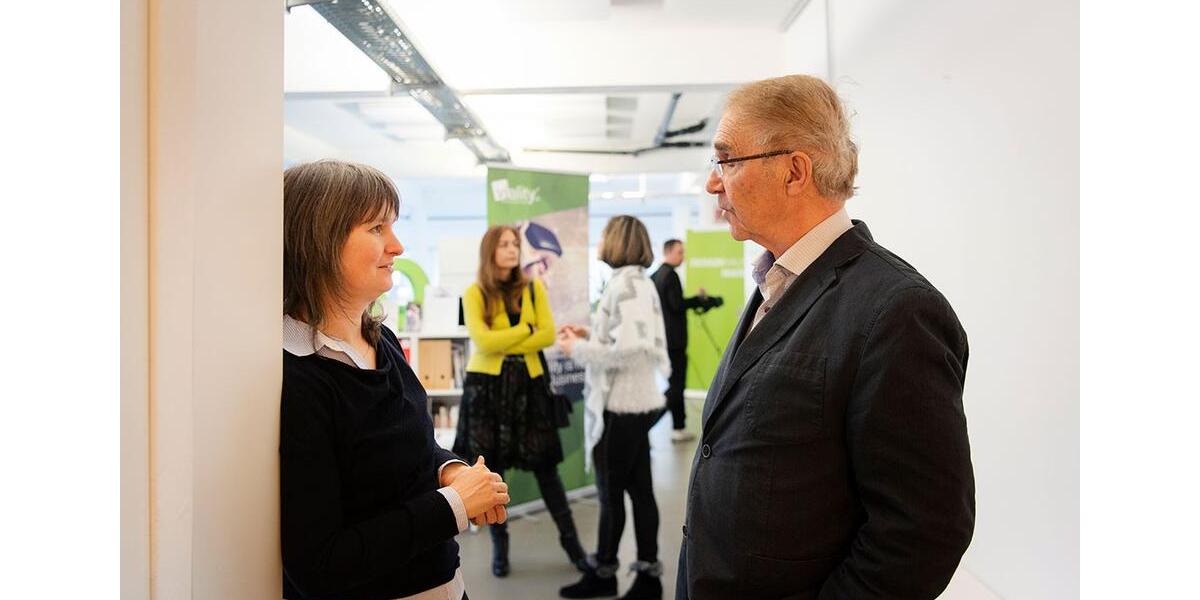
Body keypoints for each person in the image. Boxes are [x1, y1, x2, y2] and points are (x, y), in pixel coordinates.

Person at [676, 75, 975, 600]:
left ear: (794, 171)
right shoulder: (776, 281)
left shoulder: (897, 311)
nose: (712, 184)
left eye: (727, 160)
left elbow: (923, 531)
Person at [280, 159, 510, 600]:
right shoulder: (296, 376)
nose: (398, 246)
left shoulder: (381, 338)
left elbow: (412, 446)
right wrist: (457, 506)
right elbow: (321, 564)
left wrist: (451, 471)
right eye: (376, 228)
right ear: (321, 239)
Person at [453, 225, 588, 578]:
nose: (513, 249)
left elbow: (545, 334)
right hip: (487, 388)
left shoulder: (532, 288)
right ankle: (500, 546)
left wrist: (513, 337)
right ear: (490, 251)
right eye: (505, 244)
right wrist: (524, 331)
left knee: (547, 468)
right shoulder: (474, 292)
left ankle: (573, 545)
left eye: (515, 243)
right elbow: (483, 343)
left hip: (529, 386)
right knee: (492, 469)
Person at [558, 215, 671, 600]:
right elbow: (629, 337)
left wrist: (578, 350)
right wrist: (591, 335)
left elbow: (628, 350)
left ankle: (604, 572)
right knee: (640, 493)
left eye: (605, 235)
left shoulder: (629, 285)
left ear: (617, 241)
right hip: (635, 406)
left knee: (612, 495)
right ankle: (647, 577)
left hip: (622, 407)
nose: (601, 241)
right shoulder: (636, 282)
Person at [649, 239, 721, 442]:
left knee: (674, 384)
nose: (683, 256)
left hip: (663, 338)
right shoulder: (670, 275)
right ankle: (656, 424)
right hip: (675, 340)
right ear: (669, 252)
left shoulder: (654, 276)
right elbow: (677, 304)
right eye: (680, 252)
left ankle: (677, 427)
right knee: (676, 386)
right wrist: (699, 300)